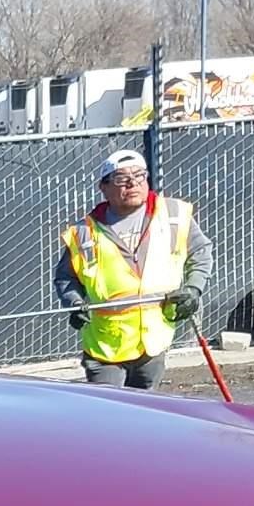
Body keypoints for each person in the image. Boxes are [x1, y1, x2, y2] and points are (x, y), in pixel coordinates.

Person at [54, 147, 212, 389]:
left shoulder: (172, 215)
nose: (132, 183)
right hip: (105, 346)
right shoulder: (84, 232)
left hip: (153, 342)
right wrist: (74, 303)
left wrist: (194, 289)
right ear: (104, 188)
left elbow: (201, 252)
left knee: (145, 413)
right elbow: (66, 278)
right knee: (110, 415)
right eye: (121, 179)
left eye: (139, 176)